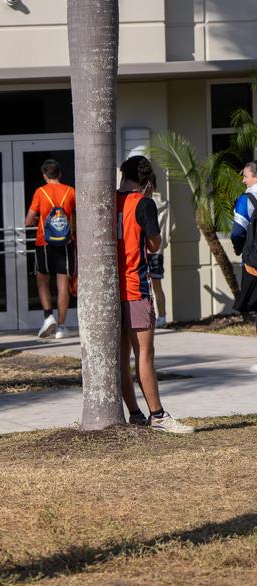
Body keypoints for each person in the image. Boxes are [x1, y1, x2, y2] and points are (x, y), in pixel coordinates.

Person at [116, 156, 193, 433]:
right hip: (135, 286)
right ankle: (158, 415)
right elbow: (154, 243)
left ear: (123, 174)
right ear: (146, 181)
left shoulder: (110, 201)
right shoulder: (144, 203)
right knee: (145, 355)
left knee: (121, 359)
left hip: (112, 289)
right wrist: (146, 201)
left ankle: (135, 414)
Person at [24, 159, 76, 340]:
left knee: (42, 281)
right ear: (60, 174)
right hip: (65, 242)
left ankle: (48, 316)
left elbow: (28, 221)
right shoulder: (70, 191)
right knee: (63, 284)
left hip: (44, 242)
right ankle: (61, 327)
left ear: (45, 176)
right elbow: (77, 215)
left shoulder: (40, 192)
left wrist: (37, 219)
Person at [231, 162, 257, 354]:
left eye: (246, 176)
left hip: (254, 263)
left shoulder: (245, 200)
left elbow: (238, 232)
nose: (243, 180)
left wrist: (239, 248)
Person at [141, 172, 168, 328]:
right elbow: (172, 227)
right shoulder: (165, 204)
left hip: (144, 250)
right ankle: (162, 317)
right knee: (157, 287)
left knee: (143, 286)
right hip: (158, 251)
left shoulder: (143, 203)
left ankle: (147, 317)